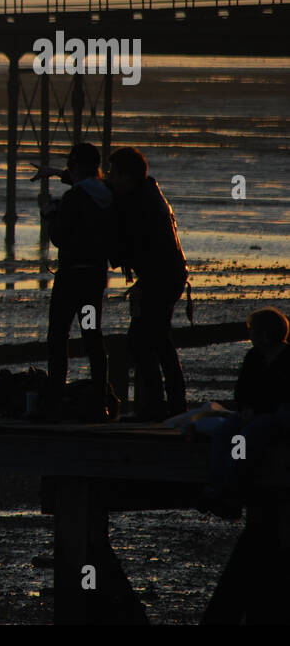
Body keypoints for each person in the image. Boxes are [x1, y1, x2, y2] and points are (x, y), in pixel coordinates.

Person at [107, 147, 189, 420]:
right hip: (169, 275)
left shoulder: (139, 204)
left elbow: (133, 246)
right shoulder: (147, 194)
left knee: (142, 341)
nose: (110, 179)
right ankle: (174, 405)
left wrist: (142, 285)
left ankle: (154, 407)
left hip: (160, 278)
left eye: (113, 174)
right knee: (158, 340)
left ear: (125, 176)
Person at [40, 142, 117, 415]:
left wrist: (50, 215)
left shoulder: (74, 197)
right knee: (92, 336)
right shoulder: (107, 192)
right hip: (94, 277)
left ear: (74, 166)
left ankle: (54, 400)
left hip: (70, 280)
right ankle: (100, 399)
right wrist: (56, 173)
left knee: (58, 336)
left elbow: (59, 237)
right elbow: (83, 182)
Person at [201, 308, 290, 516]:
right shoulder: (254, 357)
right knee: (224, 433)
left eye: (253, 331)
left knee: (241, 440)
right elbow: (242, 390)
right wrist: (246, 408)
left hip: (276, 417)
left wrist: (256, 411)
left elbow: (283, 396)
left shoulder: (287, 359)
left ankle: (229, 488)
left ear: (265, 334)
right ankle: (216, 485)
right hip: (253, 413)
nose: (250, 336)